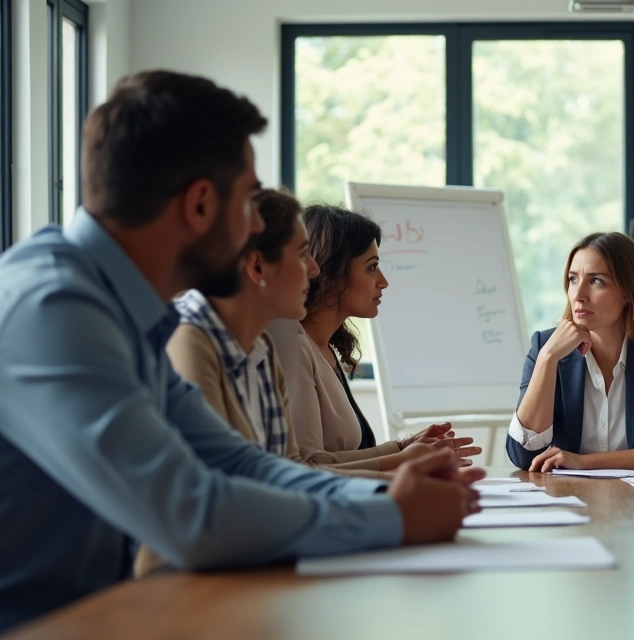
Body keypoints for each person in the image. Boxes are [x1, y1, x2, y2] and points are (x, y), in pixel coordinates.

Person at [0, 71, 482, 632]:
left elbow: (238, 462)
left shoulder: (123, 311)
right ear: (202, 204)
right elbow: (190, 511)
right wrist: (391, 515)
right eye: (250, 200)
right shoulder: (54, 307)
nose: (258, 224)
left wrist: (390, 500)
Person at [278, 205, 481, 468]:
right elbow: (308, 466)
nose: (383, 281)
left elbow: (329, 459)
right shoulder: (295, 347)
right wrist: (401, 459)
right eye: (371, 267)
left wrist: (401, 448)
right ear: (332, 270)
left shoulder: (323, 348)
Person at [507, 232, 634, 472]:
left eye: (596, 281)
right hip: (566, 501)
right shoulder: (545, 346)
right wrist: (548, 359)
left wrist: (585, 462)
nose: (578, 295)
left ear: (628, 292)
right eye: (572, 279)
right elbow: (523, 455)